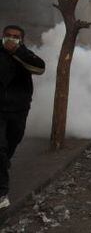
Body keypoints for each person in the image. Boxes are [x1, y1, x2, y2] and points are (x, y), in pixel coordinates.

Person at [0, 25, 45, 209]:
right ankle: (2, 192)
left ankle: (3, 164)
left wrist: (18, 51)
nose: (11, 39)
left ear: (22, 39)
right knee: (0, 149)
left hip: (18, 110)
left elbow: (40, 68)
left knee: (11, 143)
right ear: (2, 36)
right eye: (8, 36)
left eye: (16, 37)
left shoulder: (25, 54)